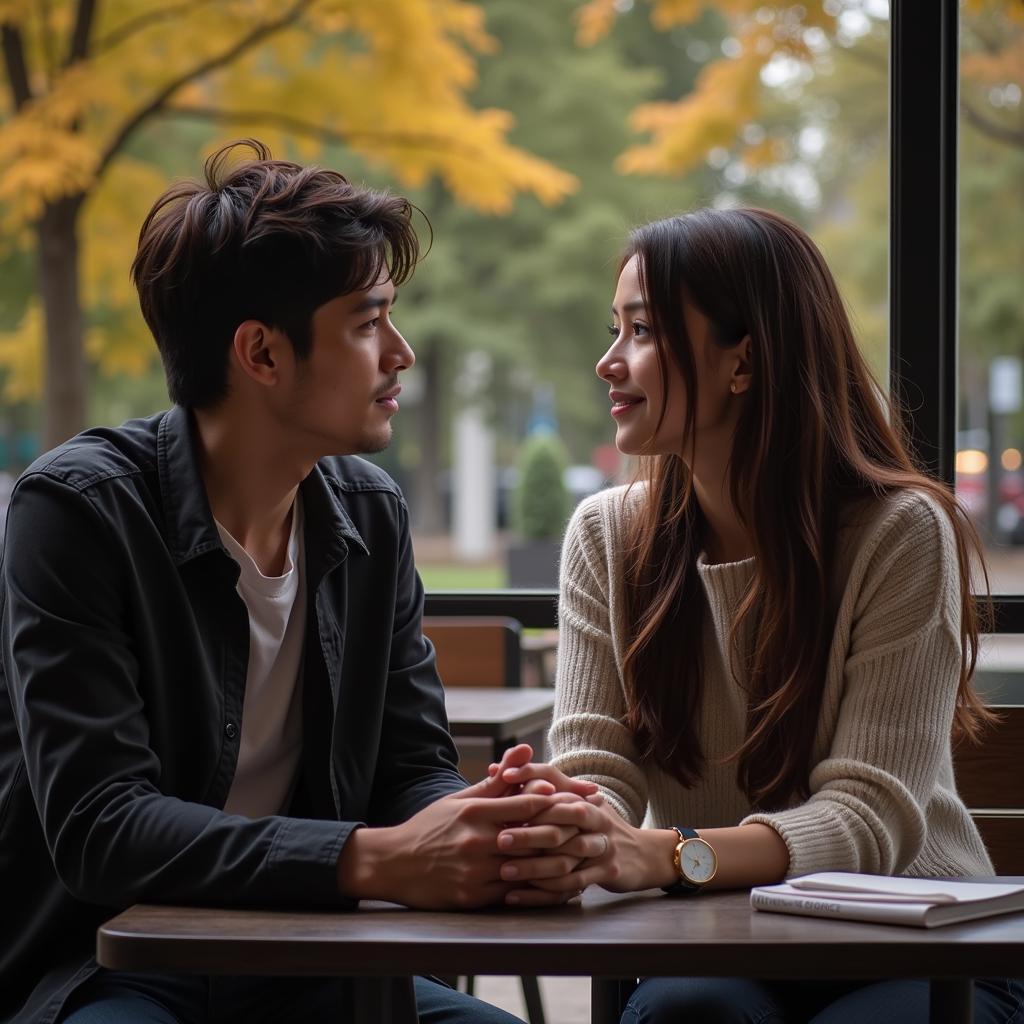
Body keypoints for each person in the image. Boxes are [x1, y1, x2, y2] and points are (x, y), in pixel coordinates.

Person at [0, 140, 602, 1024]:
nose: (401, 354)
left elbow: (412, 769)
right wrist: (371, 858)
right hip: (103, 967)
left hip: (315, 959)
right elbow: (103, 827)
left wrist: (489, 823)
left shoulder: (370, 514)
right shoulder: (78, 512)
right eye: (367, 324)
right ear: (262, 354)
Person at [486, 208, 1024, 1022]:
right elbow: (600, 769)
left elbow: (868, 817)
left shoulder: (898, 533)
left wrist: (669, 854)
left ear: (742, 361)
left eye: (641, 330)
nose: (608, 361)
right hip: (714, 937)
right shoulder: (606, 535)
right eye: (615, 328)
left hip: (914, 938)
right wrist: (566, 821)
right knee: (688, 1016)